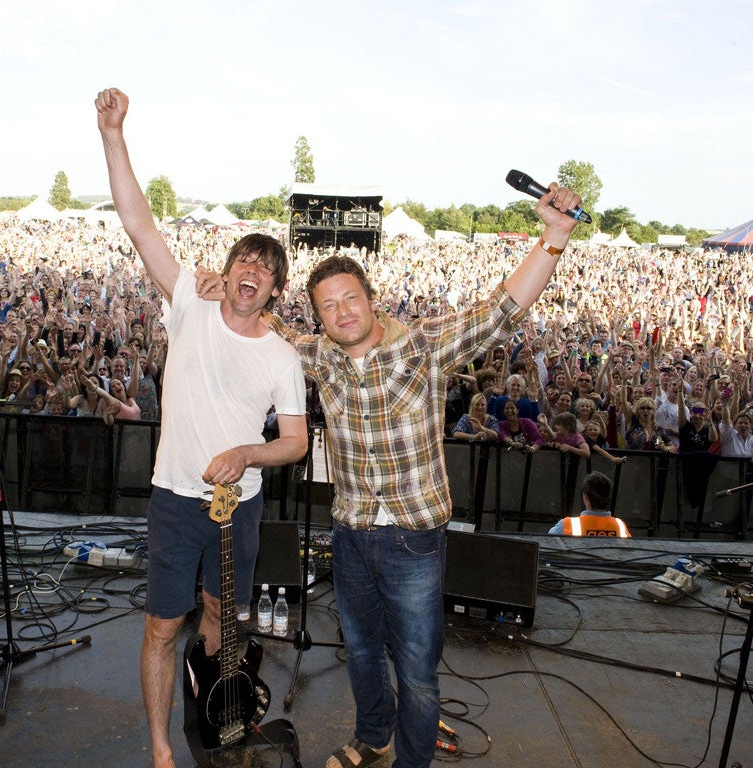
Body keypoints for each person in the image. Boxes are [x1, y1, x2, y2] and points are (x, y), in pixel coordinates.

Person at [212, 179, 582, 768]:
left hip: (413, 537)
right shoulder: (319, 356)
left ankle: (412, 760)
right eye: (327, 306)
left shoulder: (424, 346)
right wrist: (217, 290)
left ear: (371, 298)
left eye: (349, 299)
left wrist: (554, 237)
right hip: (353, 533)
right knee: (359, 653)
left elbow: (503, 308)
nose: (340, 312)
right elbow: (262, 324)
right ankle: (373, 736)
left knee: (416, 668)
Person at [95, 86, 308, 768]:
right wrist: (114, 136)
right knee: (163, 625)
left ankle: (217, 718)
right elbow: (139, 223)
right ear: (228, 270)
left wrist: (247, 452)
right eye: (246, 259)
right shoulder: (189, 297)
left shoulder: (281, 353)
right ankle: (160, 747)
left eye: (267, 269)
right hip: (173, 498)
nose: (253, 271)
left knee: (224, 621)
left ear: (275, 291)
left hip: (237, 509)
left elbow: (296, 441)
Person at [548, 471, 631, 537]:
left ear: (585, 496)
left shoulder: (566, 525)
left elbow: (547, 544)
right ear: (609, 496)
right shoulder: (620, 526)